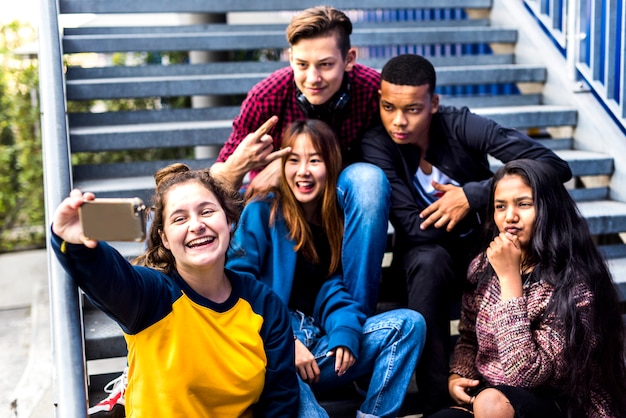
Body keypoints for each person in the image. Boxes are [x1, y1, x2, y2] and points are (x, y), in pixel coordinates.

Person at [360, 54, 573, 415]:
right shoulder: (376, 144)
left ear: (434, 103)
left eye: (413, 109)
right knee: (429, 261)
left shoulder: (461, 125)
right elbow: (413, 228)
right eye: (388, 107)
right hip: (423, 262)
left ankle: (534, 389)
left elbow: (554, 166)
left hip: (488, 252)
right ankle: (436, 403)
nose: (399, 120)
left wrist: (472, 196)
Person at [50, 165, 299, 417]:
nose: (197, 225)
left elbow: (280, 400)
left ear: (229, 220)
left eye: (207, 211)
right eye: (180, 218)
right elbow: (109, 277)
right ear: (165, 238)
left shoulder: (264, 303)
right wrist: (73, 243)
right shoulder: (151, 296)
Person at [226, 119, 426, 417]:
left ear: (330, 167)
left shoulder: (336, 223)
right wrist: (285, 341)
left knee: (409, 324)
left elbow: (335, 290)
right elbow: (237, 284)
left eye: (314, 160)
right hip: (273, 353)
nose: (303, 171)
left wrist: (345, 331)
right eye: (293, 160)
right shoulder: (262, 210)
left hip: (319, 349)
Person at [211, 5, 389, 315]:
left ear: (349, 60)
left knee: (369, 181)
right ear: (289, 57)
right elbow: (217, 180)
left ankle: (356, 318)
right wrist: (242, 168)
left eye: (325, 65)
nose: (312, 78)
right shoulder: (267, 96)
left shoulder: (373, 90)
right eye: (301, 64)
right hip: (285, 211)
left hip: (341, 203)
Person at [431, 159, 626, 417]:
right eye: (500, 206)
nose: (510, 216)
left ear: (549, 208)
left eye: (524, 204)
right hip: (494, 399)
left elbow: (527, 375)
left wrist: (510, 280)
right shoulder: (483, 267)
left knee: (491, 403)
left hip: (562, 404)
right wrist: (458, 375)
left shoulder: (574, 283)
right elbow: (469, 338)